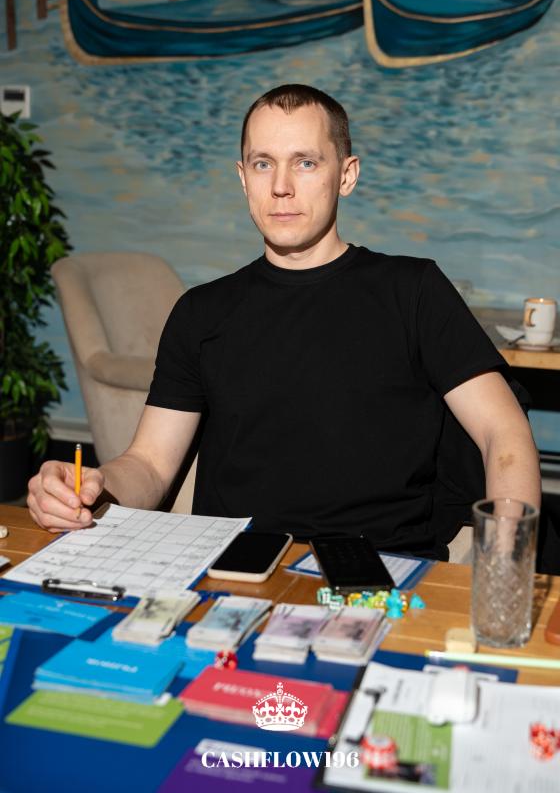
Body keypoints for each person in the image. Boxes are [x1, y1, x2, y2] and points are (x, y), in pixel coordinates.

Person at [27, 84, 540, 558]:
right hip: (237, 567)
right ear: (243, 177)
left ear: (346, 175)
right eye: (263, 164)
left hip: (379, 569)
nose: (281, 187)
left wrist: (505, 567)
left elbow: (502, 433)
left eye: (306, 163)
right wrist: (91, 489)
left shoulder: (413, 290)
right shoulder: (201, 312)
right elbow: (150, 465)